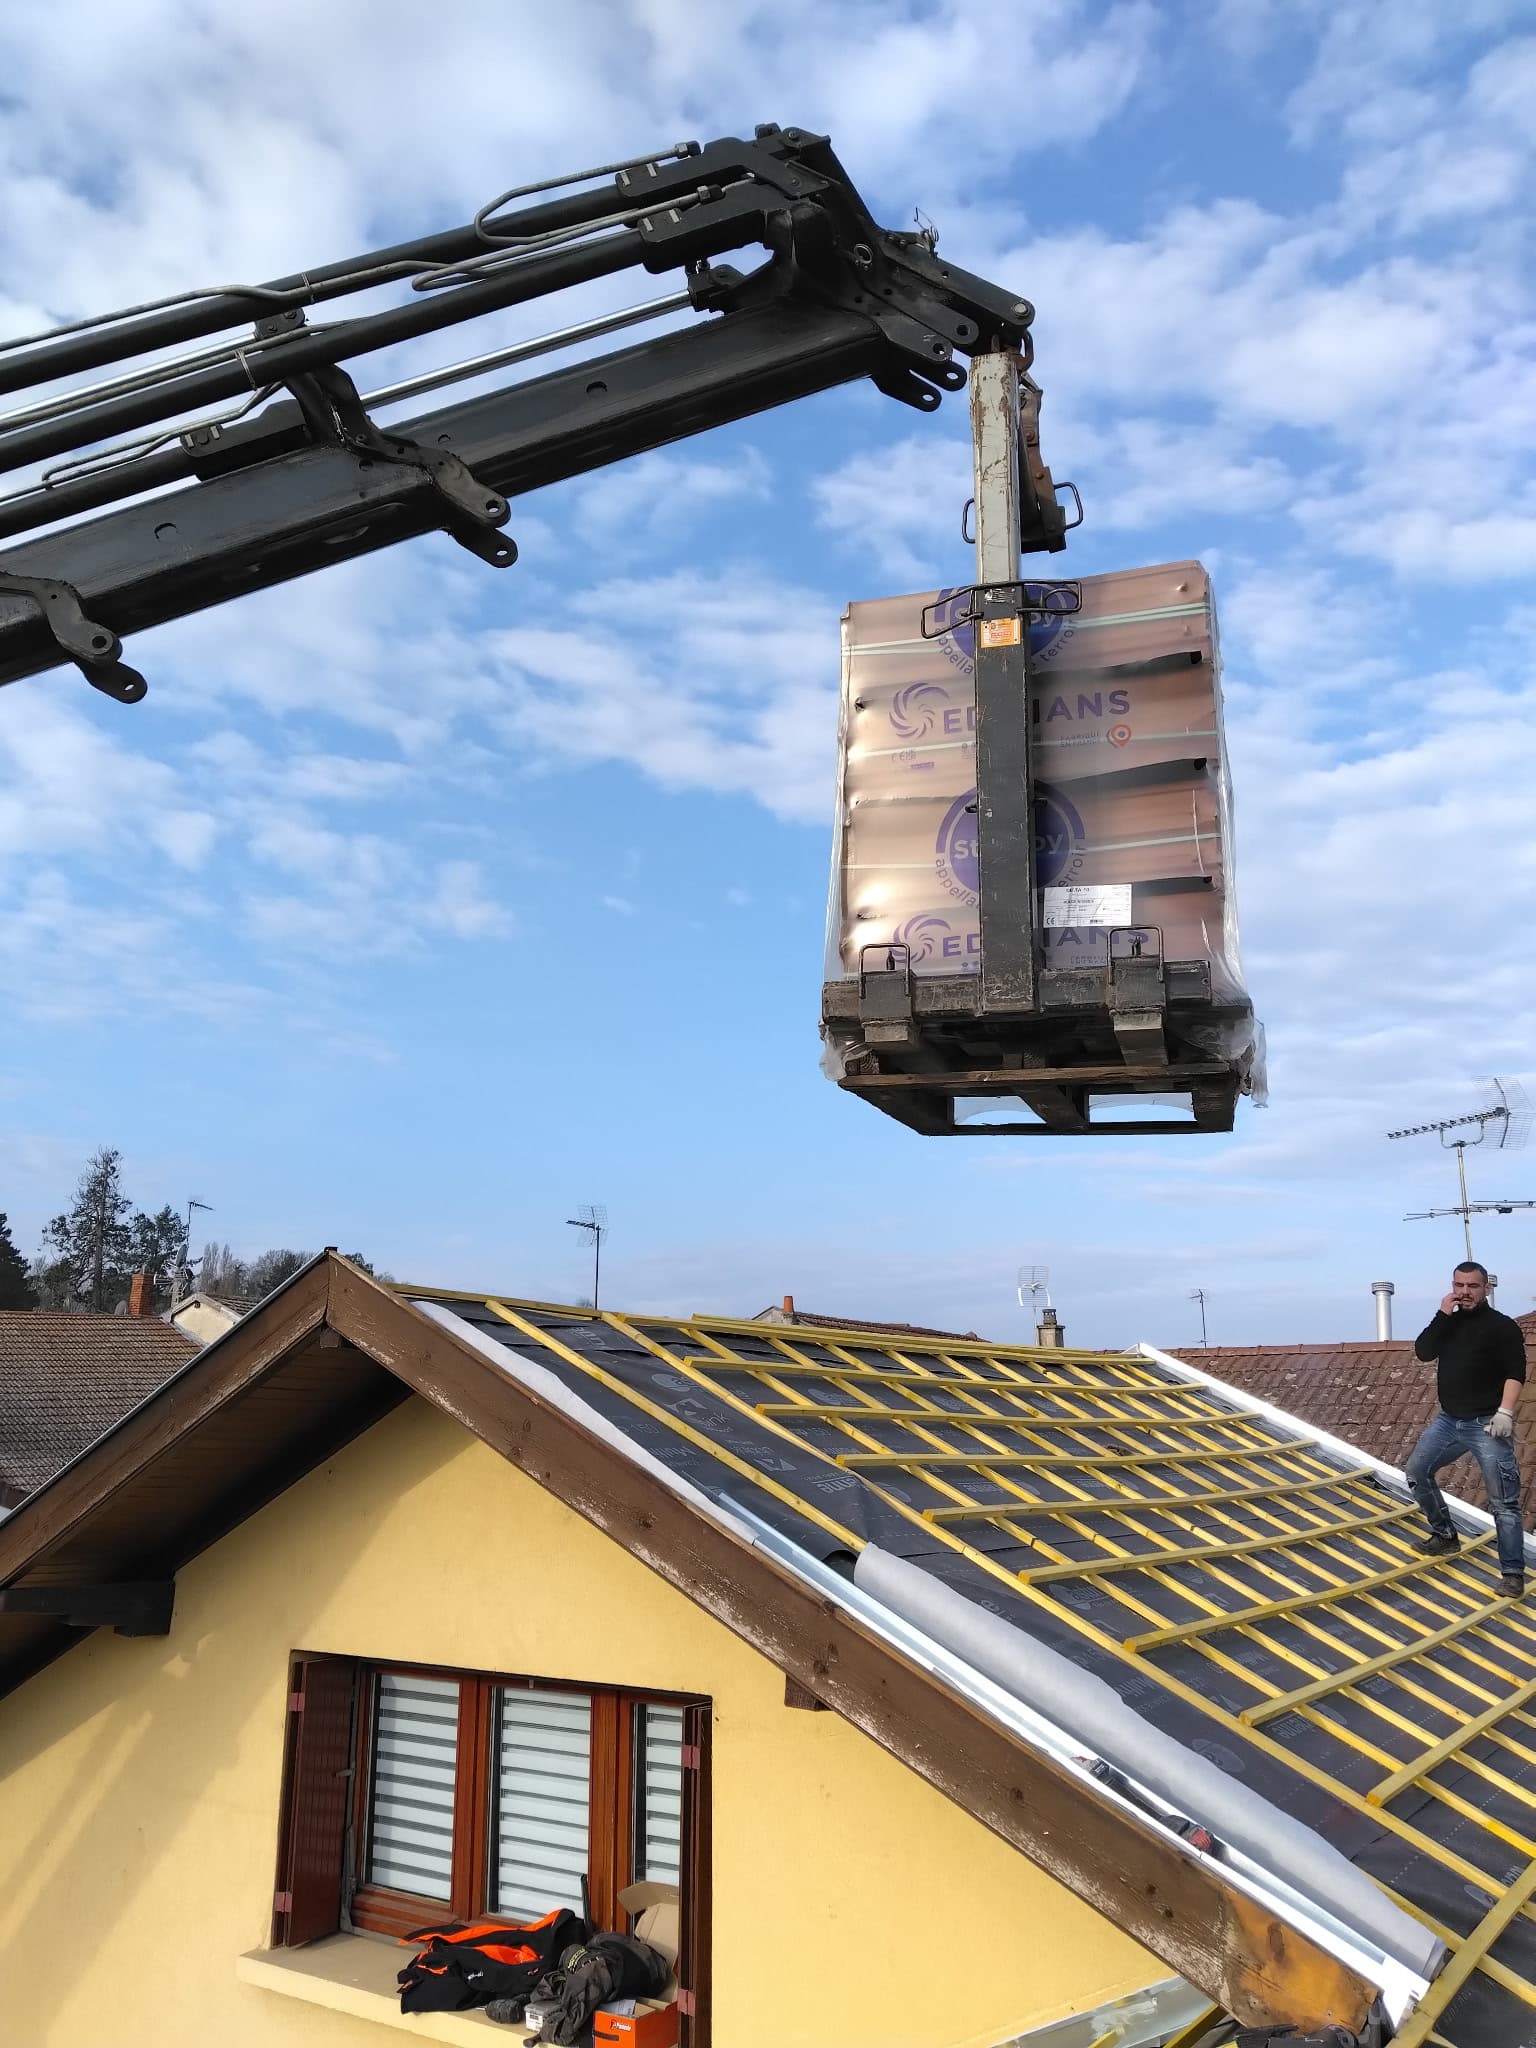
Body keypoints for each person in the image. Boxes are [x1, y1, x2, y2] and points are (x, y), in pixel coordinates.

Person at [1406, 1260, 1528, 1596]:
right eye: (1459, 1285)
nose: (1465, 1292)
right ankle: (1445, 1536)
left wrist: (1505, 1412)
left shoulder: (1502, 1327)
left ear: (1486, 1288)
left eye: (1472, 1286)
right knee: (1417, 1471)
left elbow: (1515, 1373)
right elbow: (1423, 1351)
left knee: (1503, 1502)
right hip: (1449, 1421)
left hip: (1487, 1424)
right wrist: (1442, 1314)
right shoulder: (1449, 1321)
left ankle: (1512, 1574)